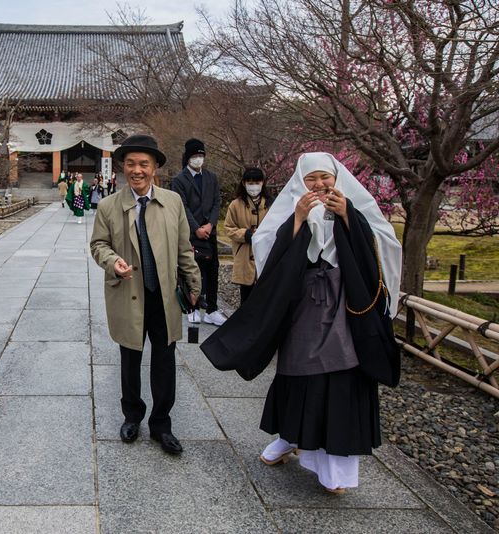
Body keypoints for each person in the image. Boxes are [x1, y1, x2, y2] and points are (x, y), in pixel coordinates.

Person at [201, 152, 402, 493]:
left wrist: (349, 217)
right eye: (312, 179)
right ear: (300, 182)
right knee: (296, 372)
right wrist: (296, 221)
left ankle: (337, 470)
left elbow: (385, 245)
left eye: (326, 178)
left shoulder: (354, 206)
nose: (320, 185)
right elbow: (265, 248)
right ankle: (289, 436)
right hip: (305, 308)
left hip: (347, 309)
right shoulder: (291, 208)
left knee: (343, 378)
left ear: (338, 179)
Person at [90, 134, 201, 455]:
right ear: (123, 166)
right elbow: (98, 245)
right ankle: (132, 416)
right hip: (128, 292)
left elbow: (184, 249)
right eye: (130, 164)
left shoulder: (172, 202)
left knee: (164, 361)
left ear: (155, 168)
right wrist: (113, 262)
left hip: (164, 295)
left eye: (143, 164)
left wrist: (194, 285)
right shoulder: (110, 205)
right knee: (130, 359)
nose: (136, 170)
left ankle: (161, 423)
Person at [171, 139, 224, 326]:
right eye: (195, 156)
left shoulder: (211, 177)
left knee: (213, 270)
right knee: (191, 270)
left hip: (210, 233)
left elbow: (217, 202)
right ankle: (192, 307)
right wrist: (196, 228)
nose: (198, 159)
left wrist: (210, 224)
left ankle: (212, 308)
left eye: (201, 155)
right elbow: (182, 206)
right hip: (191, 233)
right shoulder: (179, 180)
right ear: (187, 157)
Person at [223, 167, 273, 303]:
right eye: (250, 183)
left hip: (265, 253)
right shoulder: (235, 205)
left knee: (265, 295)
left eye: (256, 182)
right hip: (244, 254)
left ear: (262, 183)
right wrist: (246, 234)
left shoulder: (270, 204)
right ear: (244, 183)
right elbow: (228, 228)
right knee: (246, 295)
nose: (253, 186)